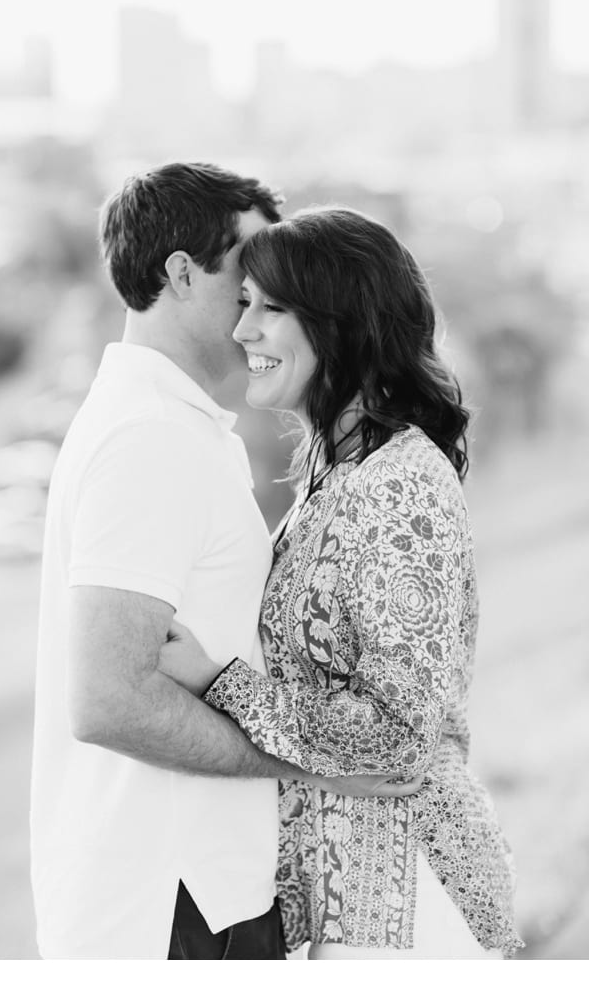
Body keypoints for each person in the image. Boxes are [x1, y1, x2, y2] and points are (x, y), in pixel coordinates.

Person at [31, 163, 415, 960]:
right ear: (180, 273)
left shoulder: (175, 426)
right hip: (175, 902)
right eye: (247, 271)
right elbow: (107, 697)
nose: (263, 296)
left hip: (203, 888)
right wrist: (308, 758)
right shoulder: (150, 438)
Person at [158, 206, 524, 958]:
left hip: (409, 899)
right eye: (244, 301)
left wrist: (219, 682)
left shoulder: (400, 485)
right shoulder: (333, 479)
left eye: (272, 307)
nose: (243, 329)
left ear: (341, 323)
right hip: (343, 908)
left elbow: (400, 734)